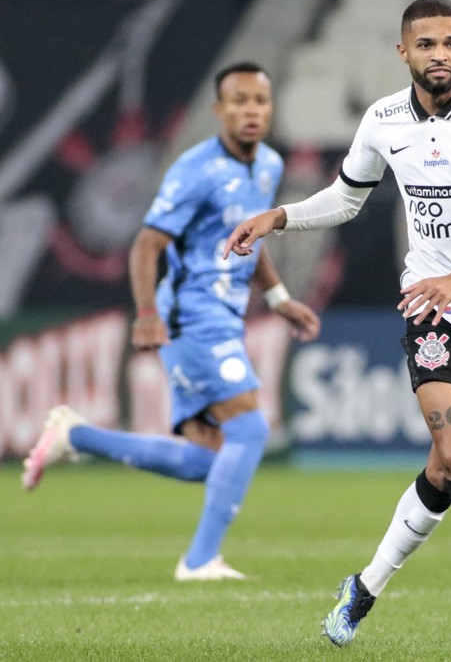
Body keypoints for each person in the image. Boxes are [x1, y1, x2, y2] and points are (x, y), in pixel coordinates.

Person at [223, 0, 451, 648]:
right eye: (427, 45)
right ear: (404, 52)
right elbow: (345, 198)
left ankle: (361, 588)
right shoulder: (384, 120)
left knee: (448, 473)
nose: (440, 55)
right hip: (431, 311)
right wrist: (278, 217)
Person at [21, 61, 321, 581]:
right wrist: (146, 315)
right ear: (219, 110)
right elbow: (146, 244)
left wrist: (276, 297)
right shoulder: (195, 170)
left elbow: (250, 237)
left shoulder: (269, 165)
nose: (251, 110)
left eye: (260, 101)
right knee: (249, 429)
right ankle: (200, 560)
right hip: (192, 318)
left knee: (209, 461)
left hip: (226, 320)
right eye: (240, 101)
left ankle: (77, 436)